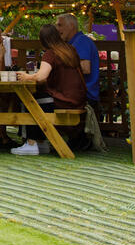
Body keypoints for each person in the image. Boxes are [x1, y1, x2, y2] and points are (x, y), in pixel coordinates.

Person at [12, 25, 87, 156]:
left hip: (62, 100)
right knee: (38, 99)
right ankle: (42, 143)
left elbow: (41, 77)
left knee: (28, 100)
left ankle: (31, 143)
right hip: (77, 99)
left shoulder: (51, 53)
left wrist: (27, 77)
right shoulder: (70, 50)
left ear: (43, 40)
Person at [56, 14, 99, 109]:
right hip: (78, 95)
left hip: (84, 97)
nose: (57, 29)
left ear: (71, 26)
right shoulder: (74, 42)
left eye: (60, 25)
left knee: (40, 102)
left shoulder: (81, 41)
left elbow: (85, 68)